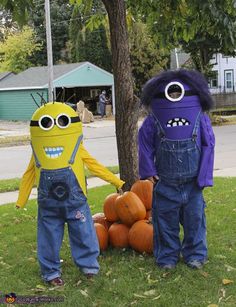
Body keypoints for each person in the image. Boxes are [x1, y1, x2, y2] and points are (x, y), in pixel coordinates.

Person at [16, 102, 124, 286]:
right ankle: (50, 272)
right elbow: (29, 174)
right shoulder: (37, 152)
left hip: (76, 203)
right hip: (49, 206)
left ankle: (89, 266)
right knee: (48, 238)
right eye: (47, 124)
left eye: (61, 122)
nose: (54, 128)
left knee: (84, 233)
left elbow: (94, 165)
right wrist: (21, 198)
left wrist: (116, 181)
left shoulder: (77, 147)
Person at [138, 69, 215, 270]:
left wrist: (204, 176)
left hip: (193, 185)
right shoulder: (153, 119)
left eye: (177, 93)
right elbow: (144, 142)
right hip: (165, 184)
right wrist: (149, 169)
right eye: (169, 93)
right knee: (164, 222)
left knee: (195, 221)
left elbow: (209, 144)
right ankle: (167, 256)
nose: (174, 97)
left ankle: (195, 254)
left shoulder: (201, 117)